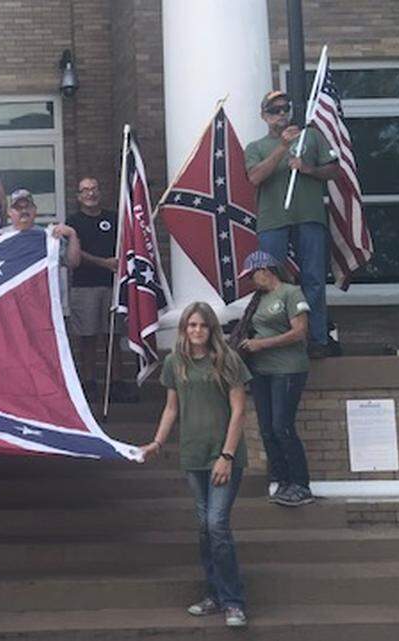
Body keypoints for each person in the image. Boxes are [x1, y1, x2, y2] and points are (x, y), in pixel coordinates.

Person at [140, 301, 252, 629]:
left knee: (217, 524)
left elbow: (239, 412)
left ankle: (234, 601)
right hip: (193, 456)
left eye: (203, 325)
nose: (197, 331)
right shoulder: (176, 363)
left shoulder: (227, 360)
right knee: (204, 528)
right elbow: (171, 409)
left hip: (224, 457)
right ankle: (214, 594)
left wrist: (227, 456)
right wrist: (158, 442)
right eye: (192, 325)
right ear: (184, 329)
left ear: (212, 329)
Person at [245, 90, 340, 359]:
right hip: (273, 219)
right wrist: (283, 148)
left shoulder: (312, 137)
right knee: (269, 279)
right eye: (274, 110)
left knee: (313, 279)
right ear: (264, 115)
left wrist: (308, 169)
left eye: (285, 108)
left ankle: (317, 339)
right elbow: (255, 177)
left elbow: (334, 170)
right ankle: (273, 335)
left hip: (309, 217)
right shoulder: (256, 147)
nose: (281, 114)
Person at [232, 250, 314, 507]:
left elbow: (300, 332)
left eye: (252, 275)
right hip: (261, 372)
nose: (250, 281)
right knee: (267, 429)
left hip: (287, 370)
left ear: (265, 270)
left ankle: (301, 484)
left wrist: (263, 344)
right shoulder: (258, 299)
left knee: (283, 427)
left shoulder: (291, 293)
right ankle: (281, 480)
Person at [66, 176, 128, 400]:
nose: (90, 194)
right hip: (85, 287)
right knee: (87, 337)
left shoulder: (113, 218)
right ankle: (89, 382)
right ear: (79, 196)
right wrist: (104, 263)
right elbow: (74, 255)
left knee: (113, 337)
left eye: (94, 189)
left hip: (112, 286)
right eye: (85, 190)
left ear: (99, 192)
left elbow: (124, 245)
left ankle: (117, 383)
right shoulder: (73, 222)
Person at [1, 188, 82, 269]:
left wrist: (72, 234)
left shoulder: (50, 236)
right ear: (9, 212)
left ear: (35, 209)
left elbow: (73, 263)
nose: (24, 210)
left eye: (28, 206)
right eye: (18, 208)